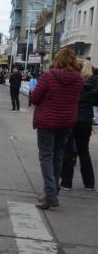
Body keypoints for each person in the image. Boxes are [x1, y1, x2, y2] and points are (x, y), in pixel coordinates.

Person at [30, 48, 83, 209]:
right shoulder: (79, 79)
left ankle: (50, 194)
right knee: (58, 155)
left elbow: (34, 98)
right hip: (67, 122)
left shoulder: (49, 76)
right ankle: (53, 191)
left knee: (46, 155)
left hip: (47, 121)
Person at [60, 59, 98, 191]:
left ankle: (66, 183)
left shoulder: (73, 81)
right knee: (84, 151)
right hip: (86, 120)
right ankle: (89, 183)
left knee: (68, 151)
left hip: (71, 117)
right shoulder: (95, 83)